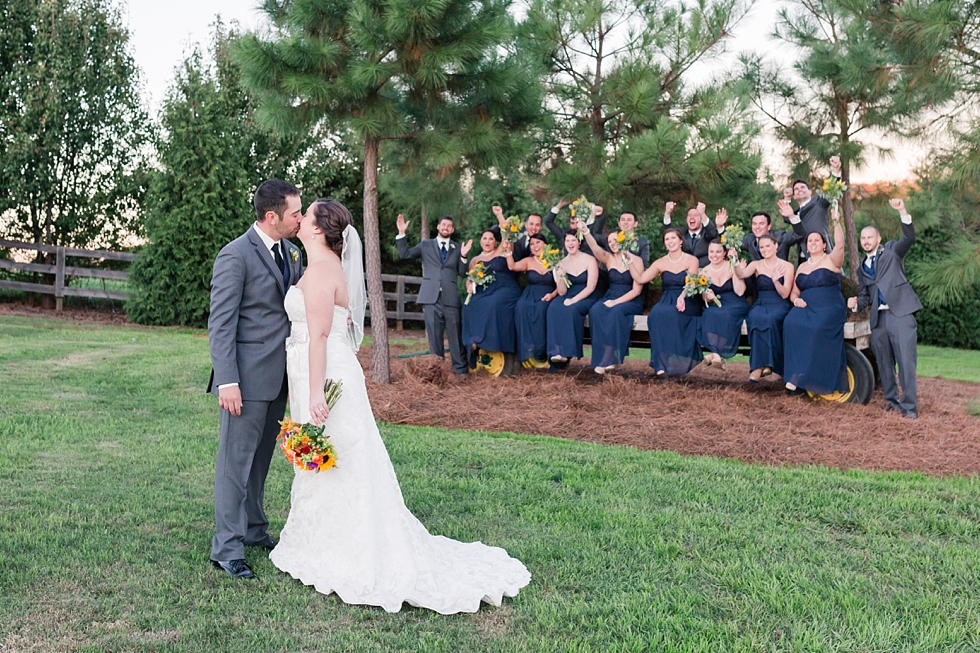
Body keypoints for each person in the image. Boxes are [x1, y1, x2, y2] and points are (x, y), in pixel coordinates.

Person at [270, 199, 531, 613]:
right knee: (332, 451)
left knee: (340, 453)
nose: (298, 219)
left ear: (319, 230)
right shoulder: (318, 266)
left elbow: (319, 336)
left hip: (324, 373)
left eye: (307, 214)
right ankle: (318, 536)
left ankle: (347, 548)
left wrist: (316, 391)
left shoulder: (321, 271)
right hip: (312, 371)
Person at [207, 179, 305, 579]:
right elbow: (221, 324)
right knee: (235, 462)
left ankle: (253, 529)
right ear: (271, 216)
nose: (301, 218)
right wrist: (227, 380)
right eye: (295, 213)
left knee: (260, 461)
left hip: (280, 377)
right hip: (244, 381)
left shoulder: (291, 252)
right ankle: (226, 548)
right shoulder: (235, 256)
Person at [847, 198, 922, 418]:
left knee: (906, 362)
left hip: (900, 314)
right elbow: (864, 297)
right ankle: (892, 402)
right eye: (863, 238)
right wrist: (855, 303)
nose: (866, 241)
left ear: (878, 239)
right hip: (878, 319)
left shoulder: (891, 252)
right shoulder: (862, 269)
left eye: (870, 237)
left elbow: (909, 237)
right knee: (884, 363)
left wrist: (902, 211)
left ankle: (910, 409)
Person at [395, 214, 473, 376]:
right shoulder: (426, 245)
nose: (446, 228)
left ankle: (460, 371)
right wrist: (402, 233)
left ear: (452, 230)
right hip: (430, 297)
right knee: (434, 336)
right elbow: (405, 254)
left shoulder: (458, 248)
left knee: (455, 335)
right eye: (443, 224)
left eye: (449, 226)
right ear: (438, 227)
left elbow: (462, 273)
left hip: (451, 298)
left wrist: (464, 257)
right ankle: (438, 371)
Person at [782, 213, 848, 395]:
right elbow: (794, 291)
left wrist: (836, 221)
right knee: (790, 323)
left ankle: (809, 376)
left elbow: (841, 246)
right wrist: (796, 299)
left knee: (816, 329)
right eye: (809, 241)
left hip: (829, 306)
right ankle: (795, 374)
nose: (812, 243)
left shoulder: (831, 260)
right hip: (805, 306)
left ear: (824, 244)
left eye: (816, 240)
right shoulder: (802, 267)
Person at [629, 228, 702, 377]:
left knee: (671, 313)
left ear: (681, 241)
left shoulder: (691, 260)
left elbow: (691, 284)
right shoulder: (660, 262)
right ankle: (660, 363)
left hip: (687, 298)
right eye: (667, 239)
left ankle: (677, 362)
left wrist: (682, 296)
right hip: (667, 298)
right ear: (664, 243)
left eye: (673, 238)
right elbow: (641, 279)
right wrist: (629, 262)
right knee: (655, 315)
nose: (670, 242)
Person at [581, 229, 644, 374]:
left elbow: (636, 290)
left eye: (615, 240)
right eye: (609, 242)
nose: (612, 244)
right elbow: (595, 248)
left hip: (630, 299)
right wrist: (586, 231)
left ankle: (611, 358)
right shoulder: (609, 258)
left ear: (623, 240)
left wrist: (616, 302)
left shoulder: (637, 260)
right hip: (611, 295)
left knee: (615, 312)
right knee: (595, 310)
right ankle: (601, 357)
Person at [738, 234, 795, 382]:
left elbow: (785, 294)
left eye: (767, 246)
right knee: (755, 318)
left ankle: (770, 363)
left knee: (770, 320)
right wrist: (734, 261)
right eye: (761, 247)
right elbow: (741, 274)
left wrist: (776, 281)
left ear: (776, 246)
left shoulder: (787, 266)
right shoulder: (756, 264)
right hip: (762, 302)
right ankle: (758, 366)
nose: (764, 249)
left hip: (779, 303)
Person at [461, 229, 522, 367]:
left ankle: (490, 340)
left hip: (505, 288)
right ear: (480, 241)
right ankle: (473, 340)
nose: (487, 241)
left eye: (490, 239)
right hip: (485, 290)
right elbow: (469, 278)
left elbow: (507, 233)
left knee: (493, 304)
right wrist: (469, 285)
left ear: (496, 242)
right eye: (484, 238)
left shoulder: (501, 251)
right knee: (468, 305)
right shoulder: (475, 259)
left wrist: (500, 216)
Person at [546, 229, 599, 363]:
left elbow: (591, 287)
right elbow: (562, 292)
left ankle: (568, 351)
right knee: (553, 307)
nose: (570, 244)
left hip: (586, 295)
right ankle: (556, 350)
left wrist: (574, 300)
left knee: (572, 309)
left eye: (573, 240)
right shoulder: (562, 262)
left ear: (579, 242)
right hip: (568, 294)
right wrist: (559, 275)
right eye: (567, 241)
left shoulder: (590, 260)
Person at [777, 156, 842, 263]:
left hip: (822, 255)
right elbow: (788, 218)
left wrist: (835, 170)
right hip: (804, 256)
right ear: (795, 196)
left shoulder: (819, 202)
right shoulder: (797, 212)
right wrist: (787, 199)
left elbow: (830, 191)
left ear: (810, 192)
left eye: (802, 187)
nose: (799, 190)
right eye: (796, 189)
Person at [507, 233, 558, 366]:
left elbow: (561, 283)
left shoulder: (554, 260)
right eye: (532, 244)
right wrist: (507, 253)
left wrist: (552, 294)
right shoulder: (528, 261)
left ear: (545, 244)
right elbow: (512, 267)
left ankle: (542, 347)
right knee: (521, 308)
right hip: (531, 293)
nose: (535, 246)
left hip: (550, 293)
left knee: (542, 309)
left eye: (538, 242)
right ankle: (526, 348)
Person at [698, 240, 749, 370]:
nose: (714, 255)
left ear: (724, 253)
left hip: (735, 303)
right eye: (712, 251)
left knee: (726, 314)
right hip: (715, 304)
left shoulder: (731, 266)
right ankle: (716, 356)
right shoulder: (703, 272)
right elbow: (704, 297)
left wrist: (737, 270)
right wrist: (708, 297)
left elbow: (740, 291)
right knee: (709, 314)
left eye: (718, 252)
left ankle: (714, 355)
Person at [662, 202, 722, 267]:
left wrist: (703, 214)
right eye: (689, 215)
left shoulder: (707, 233)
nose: (692, 217)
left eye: (695, 215)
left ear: (701, 219)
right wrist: (667, 214)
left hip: (705, 272)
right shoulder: (681, 233)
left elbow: (712, 233)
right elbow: (668, 233)